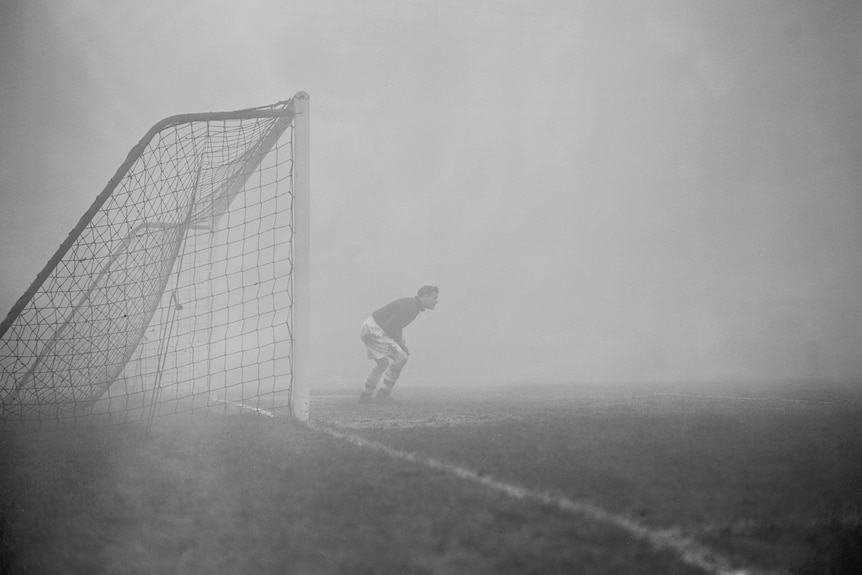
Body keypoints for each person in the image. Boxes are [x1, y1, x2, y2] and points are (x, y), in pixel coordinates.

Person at [358, 285, 439, 404]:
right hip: (374, 330)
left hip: (369, 328)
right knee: (401, 358)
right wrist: (400, 344)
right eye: (435, 297)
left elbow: (395, 325)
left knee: (383, 363)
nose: (437, 301)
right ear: (425, 297)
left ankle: (365, 396)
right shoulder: (410, 307)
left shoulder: (412, 305)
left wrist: (401, 342)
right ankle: (383, 395)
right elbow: (390, 326)